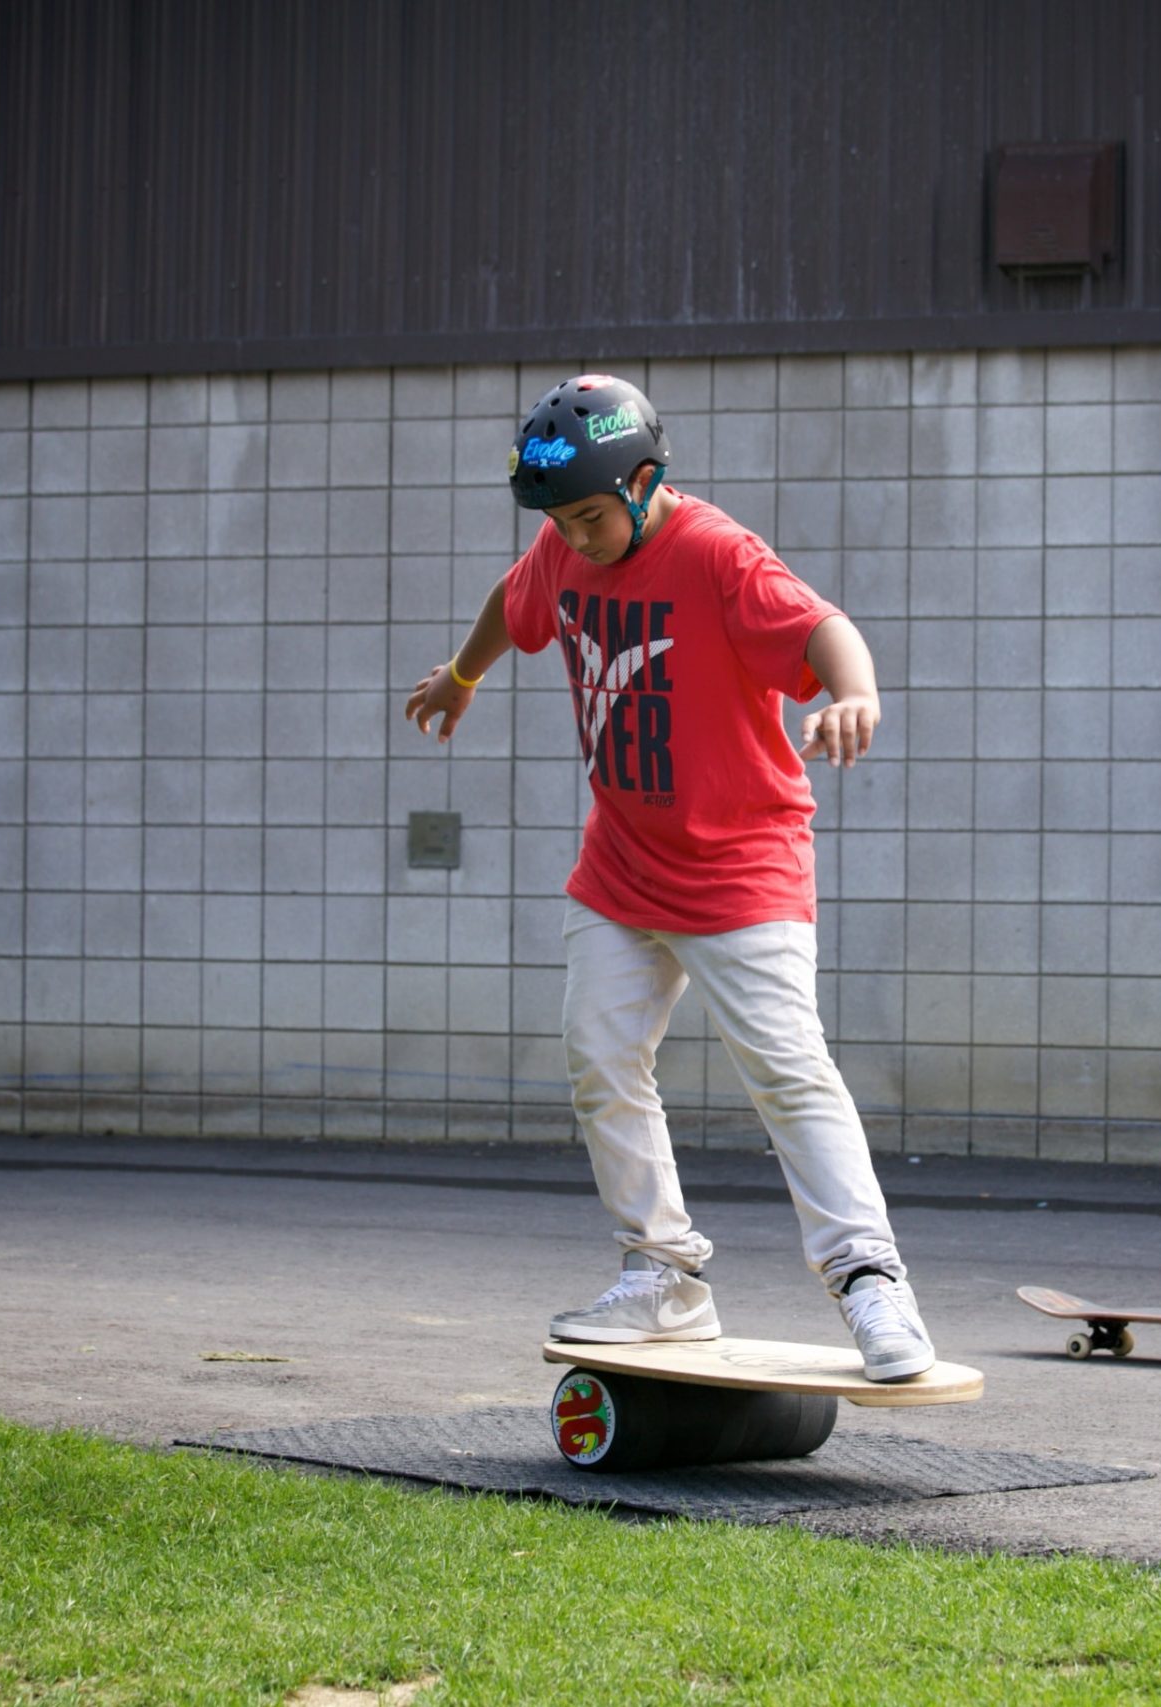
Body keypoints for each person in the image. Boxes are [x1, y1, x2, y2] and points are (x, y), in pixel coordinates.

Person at [402, 373, 937, 1381]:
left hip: (740, 868)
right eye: (559, 520)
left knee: (787, 1072)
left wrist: (853, 693)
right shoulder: (561, 546)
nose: (577, 537)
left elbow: (821, 628)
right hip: (620, 869)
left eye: (594, 516)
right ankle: (663, 1277)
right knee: (599, 1058)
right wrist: (461, 676)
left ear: (646, 481)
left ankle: (870, 1282)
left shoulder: (719, 555)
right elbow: (509, 602)